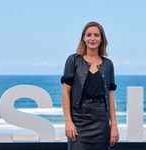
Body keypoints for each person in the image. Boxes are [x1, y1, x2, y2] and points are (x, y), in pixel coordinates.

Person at [61, 21, 119, 150]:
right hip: (78, 117)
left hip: (101, 119)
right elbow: (65, 92)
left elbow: (110, 96)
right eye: (89, 35)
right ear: (83, 38)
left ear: (102, 39)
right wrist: (68, 121)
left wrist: (113, 125)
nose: (92, 38)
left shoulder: (108, 64)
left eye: (96, 35)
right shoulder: (73, 60)